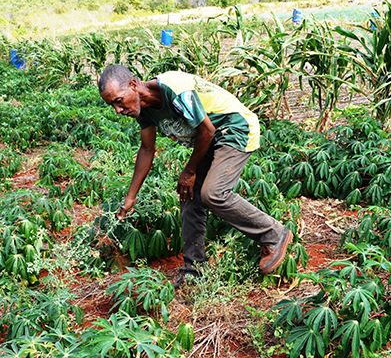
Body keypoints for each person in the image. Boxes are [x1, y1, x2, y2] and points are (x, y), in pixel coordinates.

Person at [98, 65, 293, 285]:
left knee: (213, 193)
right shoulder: (144, 110)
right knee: (190, 195)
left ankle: (274, 234)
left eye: (118, 100)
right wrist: (131, 197)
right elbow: (146, 149)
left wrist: (189, 171)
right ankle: (193, 269)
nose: (117, 110)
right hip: (210, 138)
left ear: (133, 84)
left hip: (234, 127)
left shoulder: (174, 89)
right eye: (111, 105)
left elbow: (207, 131)